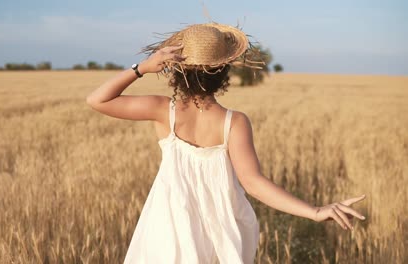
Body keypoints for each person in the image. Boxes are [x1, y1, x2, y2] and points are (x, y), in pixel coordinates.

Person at [86, 23, 366, 263]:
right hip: (220, 236)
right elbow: (255, 184)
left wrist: (141, 69)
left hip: (167, 230)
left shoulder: (163, 111)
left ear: (175, 71)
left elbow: (97, 100)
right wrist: (315, 212)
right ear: (223, 72)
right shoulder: (235, 122)